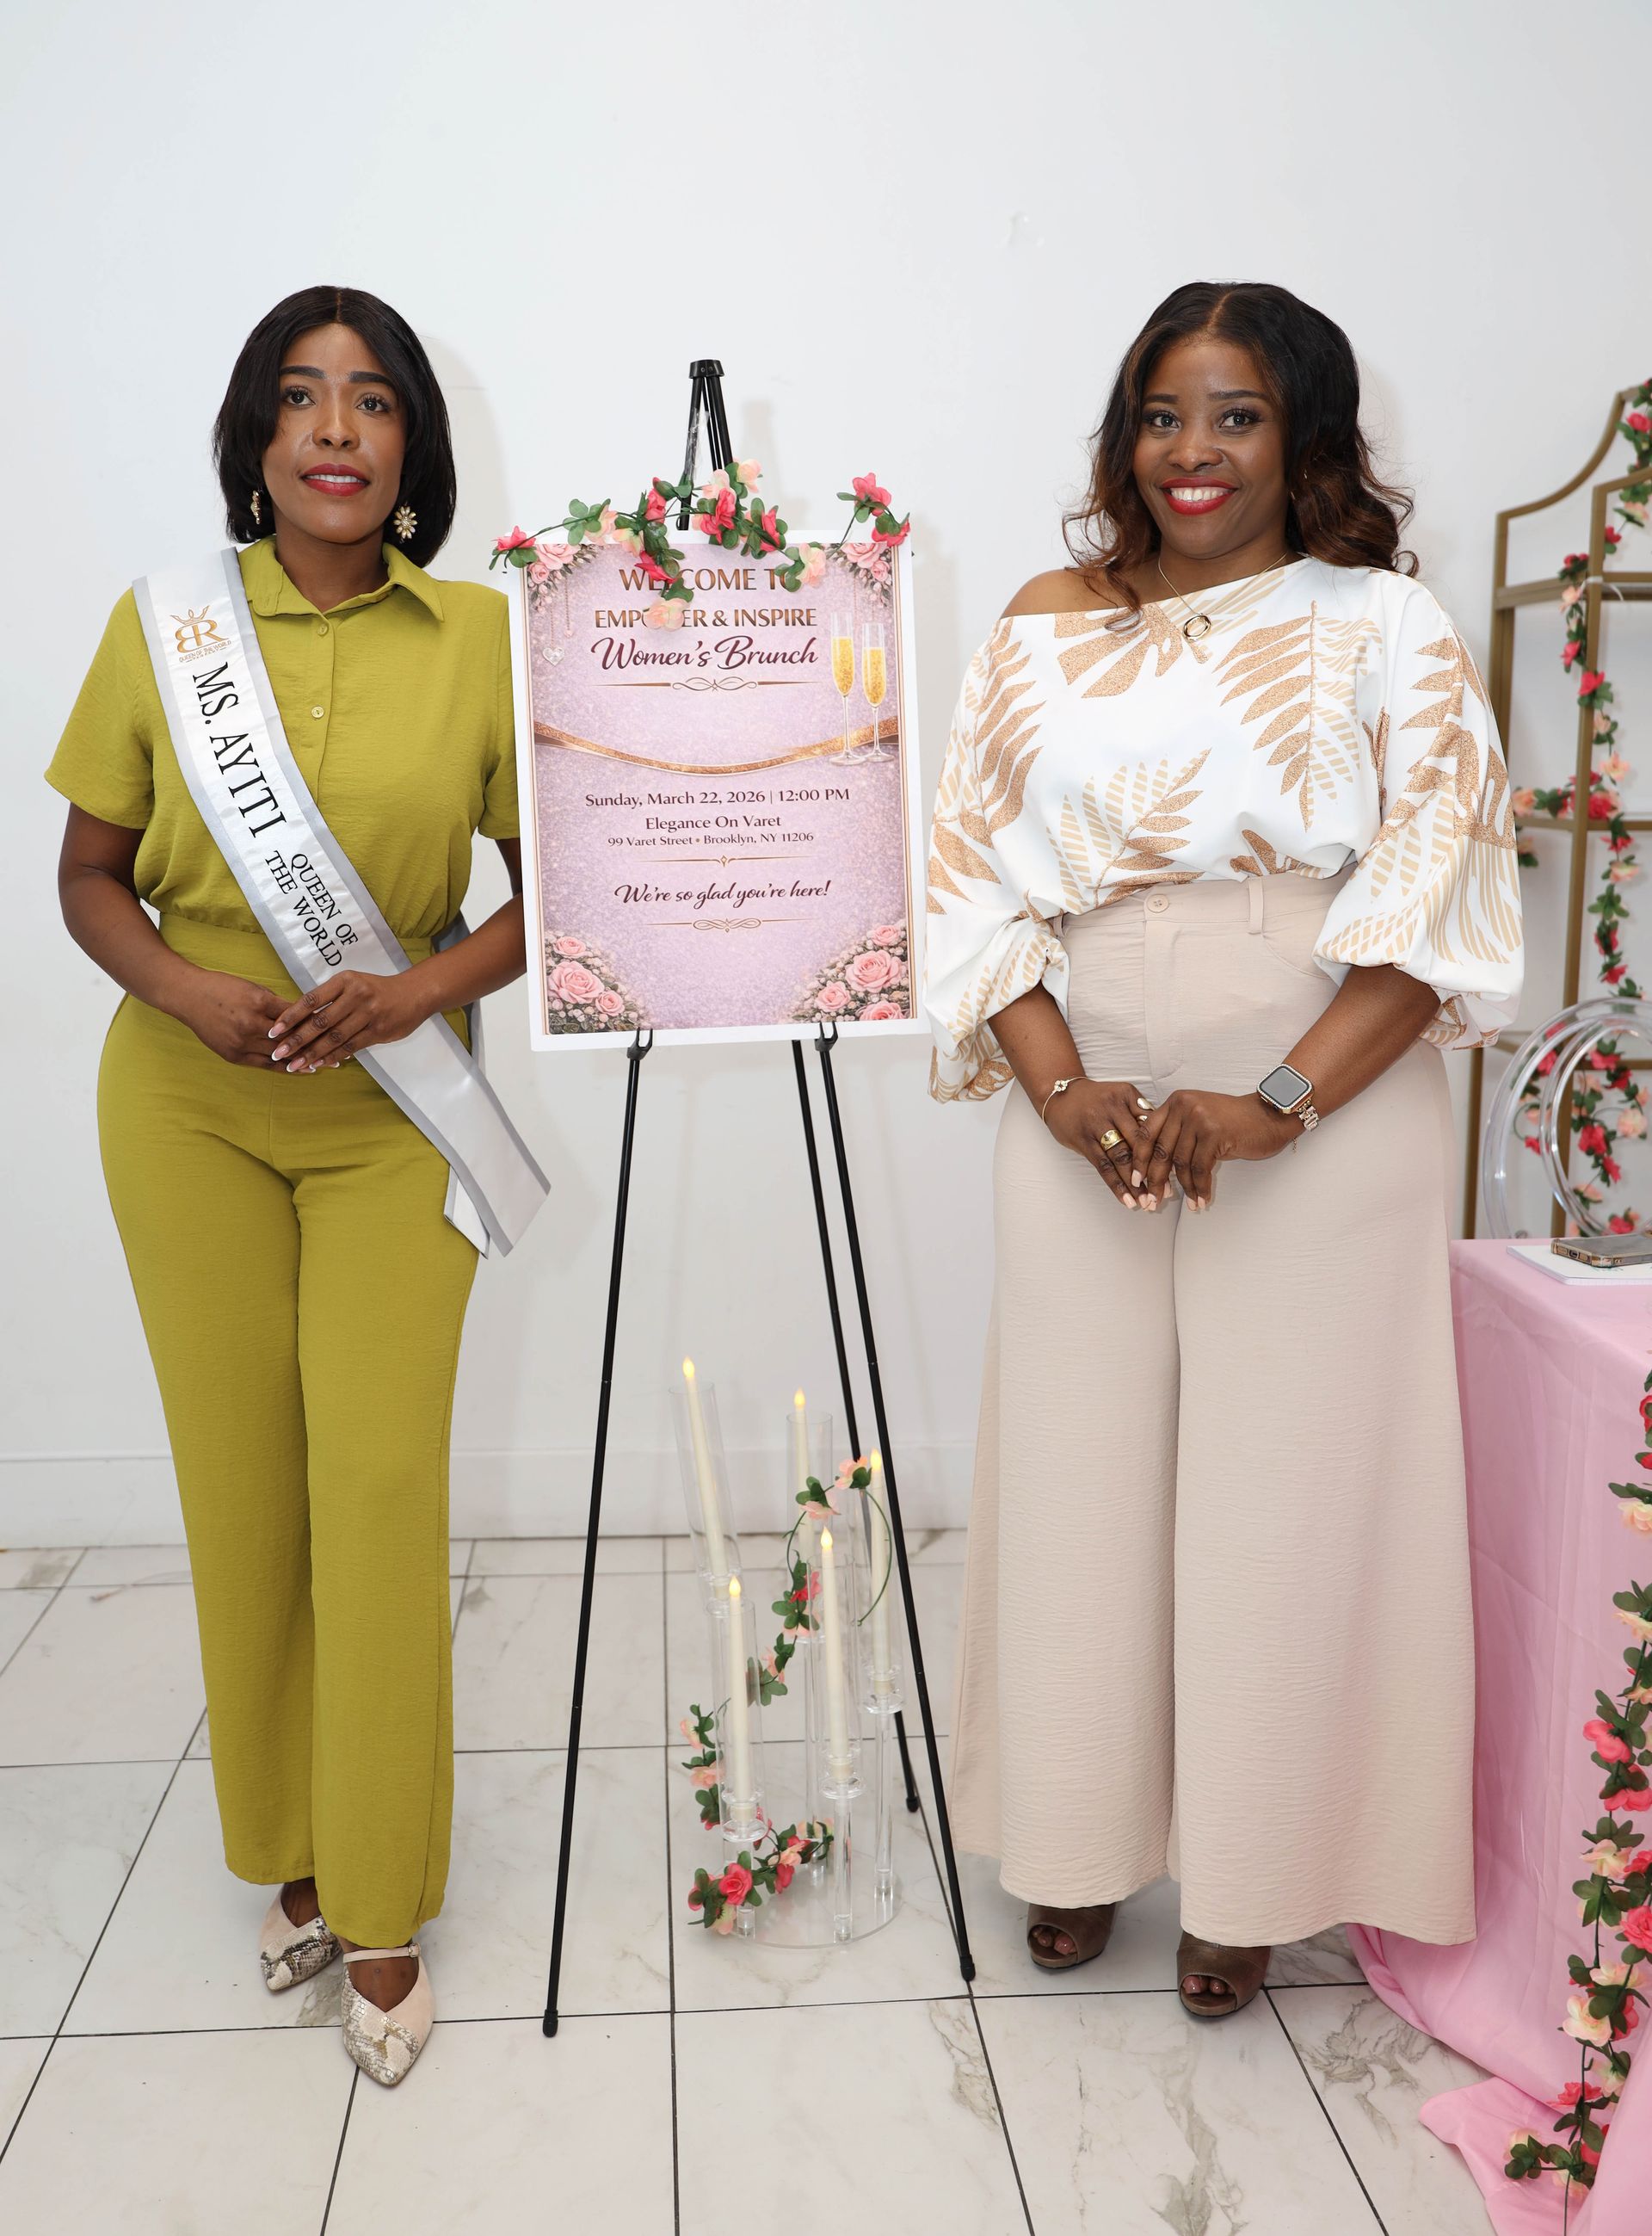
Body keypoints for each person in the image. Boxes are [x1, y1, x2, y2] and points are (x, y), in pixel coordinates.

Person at [923, 280, 1521, 2017]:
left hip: (1319, 1073)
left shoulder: (1385, 626)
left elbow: (1440, 897)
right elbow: (965, 878)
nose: (1193, 450)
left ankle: (1254, 1872)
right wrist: (1059, 1090)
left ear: (1306, 435)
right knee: (1077, 1468)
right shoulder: (1042, 623)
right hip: (1082, 1077)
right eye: (1164, 413)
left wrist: (1275, 1102)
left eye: (1238, 415)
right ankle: (1071, 1838)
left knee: (1291, 1487)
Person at [48, 285, 544, 2085]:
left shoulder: (484, 639)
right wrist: (191, 992)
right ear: (256, 437)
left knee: (382, 1485)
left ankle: (387, 1893)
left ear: (414, 445)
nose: (338, 430)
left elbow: (557, 893)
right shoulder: (163, 627)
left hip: (396, 1113)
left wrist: (413, 993)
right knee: (246, 1490)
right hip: (187, 1110)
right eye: (303, 397)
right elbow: (89, 873)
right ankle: (300, 1855)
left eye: (374, 400)